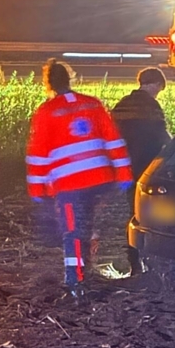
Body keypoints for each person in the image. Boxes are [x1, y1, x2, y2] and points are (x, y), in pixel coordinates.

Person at [26, 59, 133, 302]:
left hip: (69, 185)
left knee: (72, 231)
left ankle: (75, 280)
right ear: (71, 78)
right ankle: (89, 265)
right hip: (100, 179)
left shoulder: (47, 111)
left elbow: (38, 152)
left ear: (49, 83)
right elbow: (113, 140)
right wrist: (124, 173)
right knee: (90, 223)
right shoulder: (91, 104)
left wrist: (36, 187)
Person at [111, 67, 171, 276]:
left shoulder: (122, 105)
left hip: (125, 168)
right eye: (158, 88)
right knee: (152, 215)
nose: (157, 93)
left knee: (132, 214)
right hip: (148, 168)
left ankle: (134, 263)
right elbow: (163, 138)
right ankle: (149, 262)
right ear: (155, 84)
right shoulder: (151, 107)